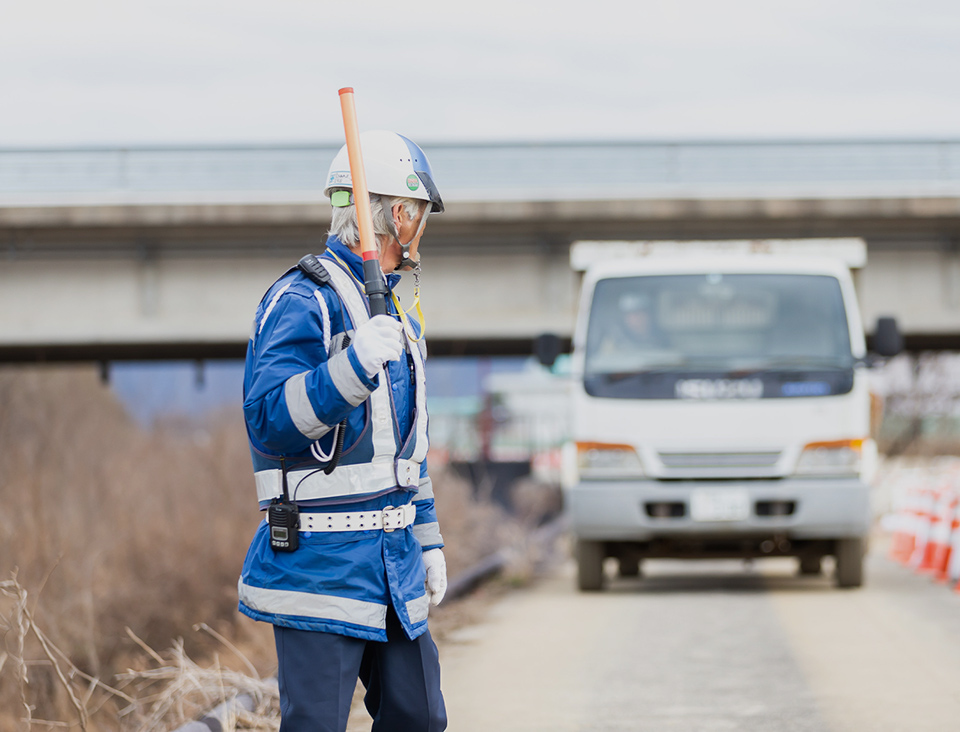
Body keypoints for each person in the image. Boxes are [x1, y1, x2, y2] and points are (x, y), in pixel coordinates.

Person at [237, 130, 447, 732]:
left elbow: (404, 456)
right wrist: (351, 369)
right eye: (420, 216)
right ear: (398, 215)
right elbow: (270, 420)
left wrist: (428, 542)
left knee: (420, 718)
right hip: (319, 568)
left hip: (392, 563)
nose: (421, 231)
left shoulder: (394, 315)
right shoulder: (300, 300)